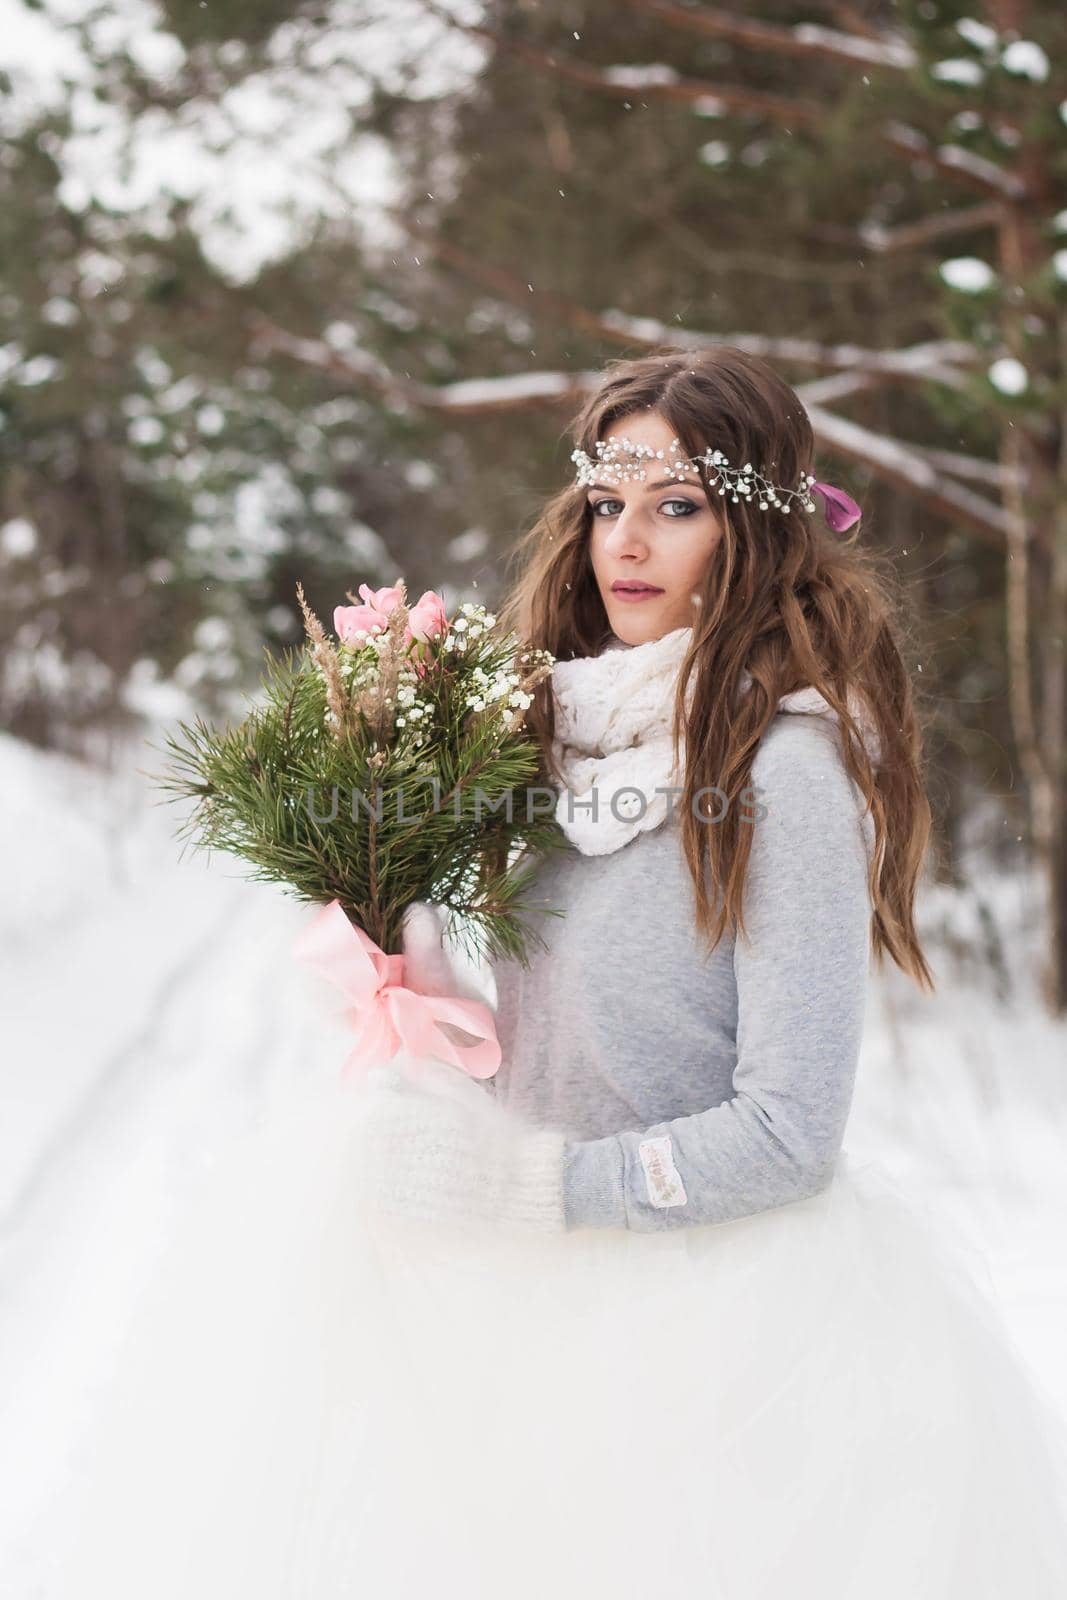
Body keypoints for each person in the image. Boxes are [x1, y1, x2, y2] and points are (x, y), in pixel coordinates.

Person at [29, 348, 1067, 1597]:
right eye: (606, 503)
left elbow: (789, 1131)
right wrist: (403, 982)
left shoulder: (781, 768)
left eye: (675, 506)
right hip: (528, 1306)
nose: (625, 540)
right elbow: (557, 1037)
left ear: (752, 529)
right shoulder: (550, 745)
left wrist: (539, 1188)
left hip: (719, 1335)